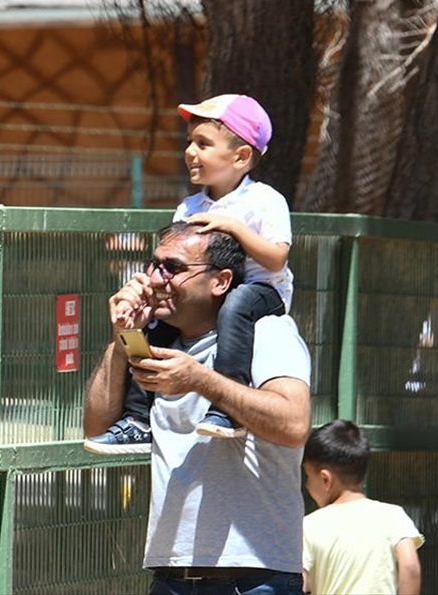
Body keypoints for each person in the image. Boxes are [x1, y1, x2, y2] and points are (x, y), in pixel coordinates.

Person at [83, 221, 311, 595]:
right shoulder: (156, 339)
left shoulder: (269, 331)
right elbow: (96, 428)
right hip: (171, 576)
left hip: (252, 577)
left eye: (172, 268)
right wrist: (123, 336)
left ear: (221, 281)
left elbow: (294, 424)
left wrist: (201, 380)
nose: (156, 279)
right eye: (153, 265)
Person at [85, 94, 294, 453]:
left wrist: (236, 229)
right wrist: (138, 314)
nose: (190, 152)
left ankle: (227, 409)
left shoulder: (265, 201)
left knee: (237, 306)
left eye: (203, 144)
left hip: (260, 290)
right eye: (189, 143)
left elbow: (276, 259)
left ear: (241, 157)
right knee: (153, 326)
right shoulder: (190, 205)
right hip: (214, 295)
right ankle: (137, 418)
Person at [302, 420, 424, 595]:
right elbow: (410, 567)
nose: (306, 485)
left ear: (325, 479)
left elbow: (301, 581)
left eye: (307, 476)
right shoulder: (393, 515)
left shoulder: (309, 525)